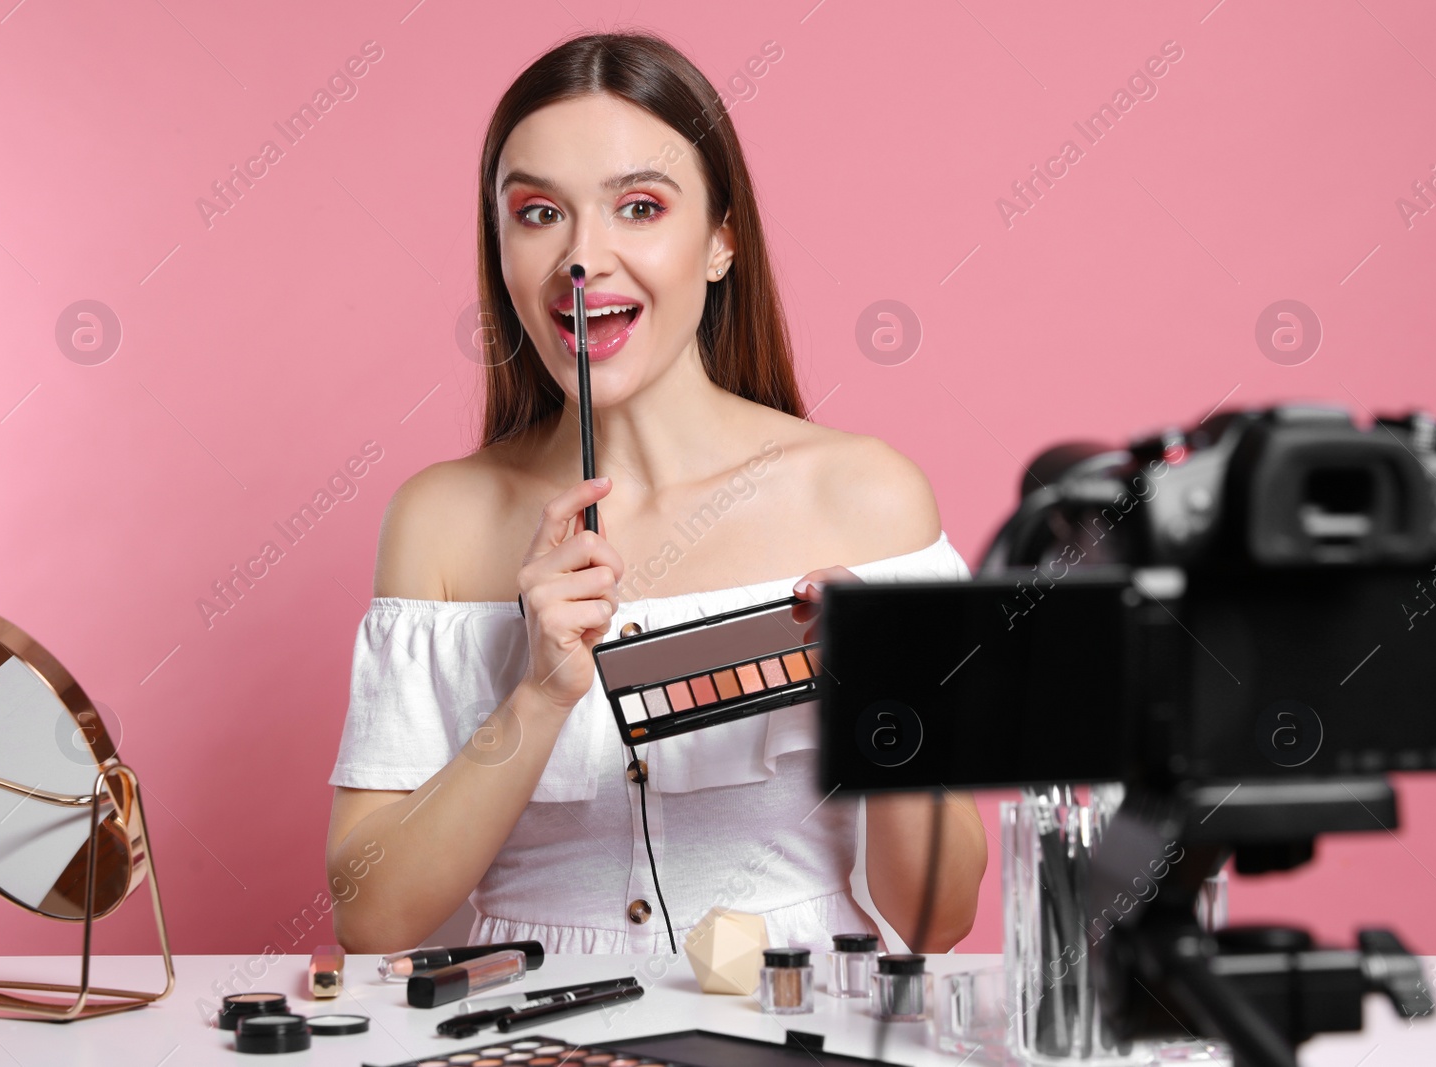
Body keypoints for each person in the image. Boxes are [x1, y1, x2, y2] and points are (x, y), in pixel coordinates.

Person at [325, 31, 985, 955]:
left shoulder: (868, 499)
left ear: (721, 242)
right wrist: (538, 697)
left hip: (800, 1024)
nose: (581, 259)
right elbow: (371, 915)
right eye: (538, 213)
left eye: (639, 207)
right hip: (526, 1036)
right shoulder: (440, 520)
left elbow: (936, 919)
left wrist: (883, 701)